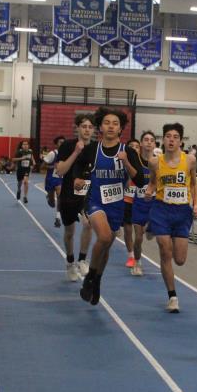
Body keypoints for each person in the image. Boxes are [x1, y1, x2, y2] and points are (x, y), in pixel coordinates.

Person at [79, 107, 147, 306]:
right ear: (100, 127)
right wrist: (77, 179)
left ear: (120, 129)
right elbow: (79, 168)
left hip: (116, 205)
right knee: (104, 237)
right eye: (107, 123)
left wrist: (126, 163)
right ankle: (90, 276)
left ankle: (97, 281)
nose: (111, 126)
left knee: (106, 244)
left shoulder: (128, 152)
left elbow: (140, 181)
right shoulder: (93, 149)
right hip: (95, 201)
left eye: (115, 123)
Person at [145, 123, 197, 313]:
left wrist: (196, 204)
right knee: (165, 251)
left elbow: (193, 184)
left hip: (182, 212)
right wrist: (149, 191)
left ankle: (151, 227)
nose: (171, 140)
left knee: (180, 259)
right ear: (163, 139)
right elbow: (152, 183)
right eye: (168, 136)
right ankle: (172, 297)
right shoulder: (155, 162)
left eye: (175, 137)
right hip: (161, 210)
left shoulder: (190, 160)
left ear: (181, 141)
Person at [53, 114, 98, 281]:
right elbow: (60, 171)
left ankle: (82, 260)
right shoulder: (67, 146)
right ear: (77, 128)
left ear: (93, 130)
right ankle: (70, 262)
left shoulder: (96, 148)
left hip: (88, 194)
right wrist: (76, 152)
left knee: (88, 223)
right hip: (68, 195)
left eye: (90, 127)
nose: (87, 130)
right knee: (69, 232)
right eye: (84, 126)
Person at [129, 131, 157, 276]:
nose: (149, 142)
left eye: (151, 140)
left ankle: (151, 227)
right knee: (138, 238)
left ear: (155, 144)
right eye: (146, 139)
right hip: (139, 203)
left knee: (151, 232)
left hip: (154, 204)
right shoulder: (136, 161)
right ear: (141, 143)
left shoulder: (159, 162)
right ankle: (137, 262)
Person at [121, 138, 142, 268]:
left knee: (139, 235)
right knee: (128, 230)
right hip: (127, 199)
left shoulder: (146, 163)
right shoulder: (122, 164)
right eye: (131, 146)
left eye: (136, 146)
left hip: (141, 201)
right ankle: (131, 256)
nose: (134, 148)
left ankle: (137, 252)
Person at [42, 135, 66, 227]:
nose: (62, 144)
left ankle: (58, 218)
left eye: (64, 142)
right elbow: (42, 166)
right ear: (56, 144)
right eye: (60, 142)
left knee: (60, 196)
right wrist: (53, 166)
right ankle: (49, 197)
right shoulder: (52, 154)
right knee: (52, 203)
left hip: (60, 179)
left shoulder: (67, 154)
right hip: (50, 179)